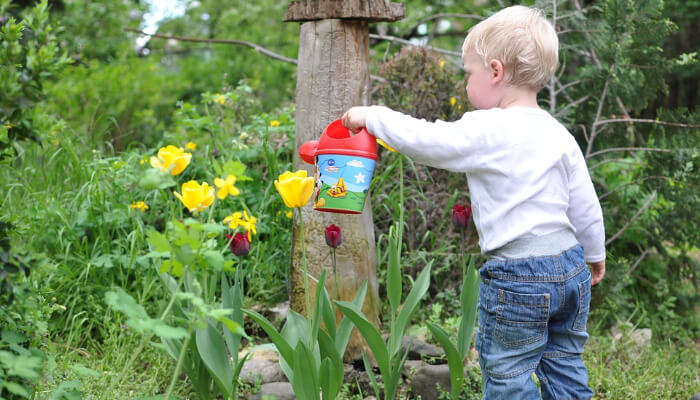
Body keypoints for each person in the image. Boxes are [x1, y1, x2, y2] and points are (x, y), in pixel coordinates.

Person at [341, 5, 605, 400]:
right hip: (569, 265)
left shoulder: (487, 128)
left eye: (469, 73)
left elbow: (426, 141)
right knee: (565, 365)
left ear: (495, 72)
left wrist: (371, 116)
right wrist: (595, 252)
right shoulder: (557, 132)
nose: (466, 83)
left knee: (509, 373)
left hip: (519, 275)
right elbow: (584, 201)